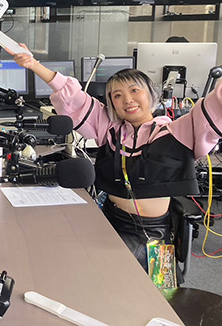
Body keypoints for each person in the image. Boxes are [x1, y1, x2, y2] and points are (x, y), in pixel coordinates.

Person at [13, 45, 222, 272]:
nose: (127, 100)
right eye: (117, 95)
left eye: (134, 90)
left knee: (150, 291)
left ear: (150, 94)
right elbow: (73, 96)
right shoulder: (110, 129)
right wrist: (33, 65)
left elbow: (214, 107)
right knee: (78, 267)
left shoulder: (177, 132)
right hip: (110, 222)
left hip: (152, 234)